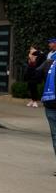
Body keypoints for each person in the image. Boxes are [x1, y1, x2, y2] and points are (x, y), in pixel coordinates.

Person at [39, 38, 56, 174]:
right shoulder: (49, 60)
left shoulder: (50, 61)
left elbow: (37, 73)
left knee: (55, 135)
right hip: (51, 103)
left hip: (50, 101)